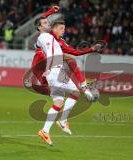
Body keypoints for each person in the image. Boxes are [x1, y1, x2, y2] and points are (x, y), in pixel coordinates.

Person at [32, 5, 101, 136]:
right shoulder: (47, 34)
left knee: (60, 100)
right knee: (73, 90)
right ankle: (64, 118)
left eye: (64, 28)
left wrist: (91, 49)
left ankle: (47, 129)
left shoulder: (61, 42)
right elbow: (42, 21)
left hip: (52, 70)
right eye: (61, 28)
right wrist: (51, 11)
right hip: (45, 69)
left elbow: (75, 52)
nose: (63, 31)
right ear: (53, 29)